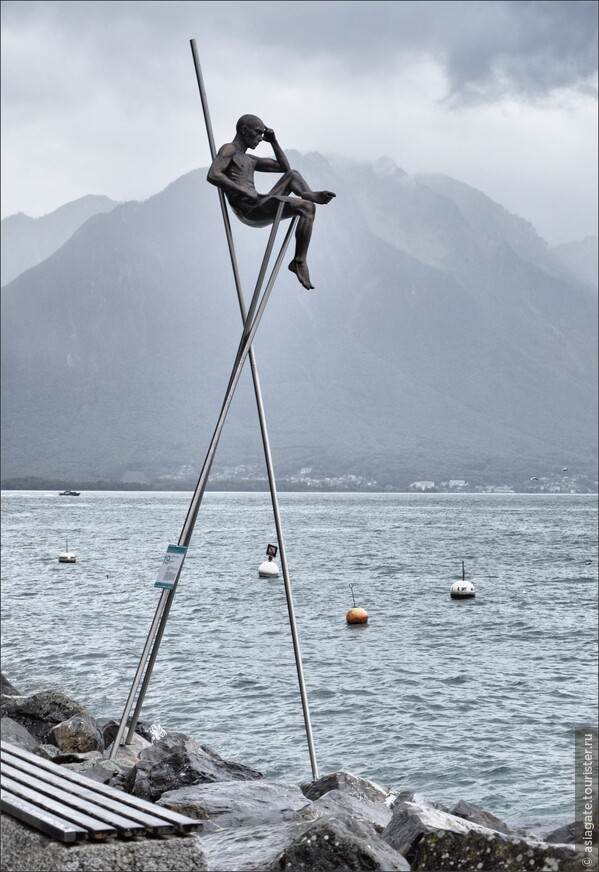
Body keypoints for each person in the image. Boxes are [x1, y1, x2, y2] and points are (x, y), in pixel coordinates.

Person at [207, 114, 335, 290]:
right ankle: (299, 261)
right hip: (249, 209)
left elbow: (283, 168)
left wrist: (273, 141)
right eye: (257, 133)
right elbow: (213, 174)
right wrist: (242, 190)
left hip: (259, 202)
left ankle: (309, 194)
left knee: (293, 175)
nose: (260, 138)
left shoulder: (250, 159)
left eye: (262, 134)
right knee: (307, 208)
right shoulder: (229, 150)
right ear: (244, 130)